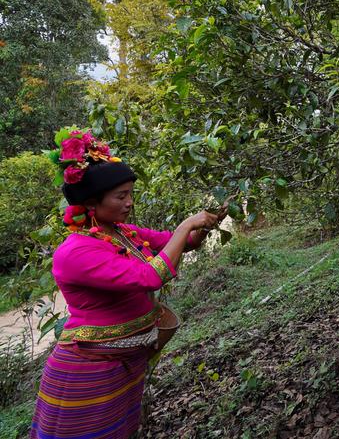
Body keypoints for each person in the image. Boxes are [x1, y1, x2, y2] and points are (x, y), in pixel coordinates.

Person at [31, 128, 221, 439]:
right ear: (92, 202)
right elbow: (152, 276)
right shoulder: (76, 252)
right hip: (89, 370)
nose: (129, 202)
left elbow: (182, 243)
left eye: (130, 193)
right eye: (121, 196)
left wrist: (204, 226)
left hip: (125, 365)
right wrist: (187, 222)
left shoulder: (122, 232)